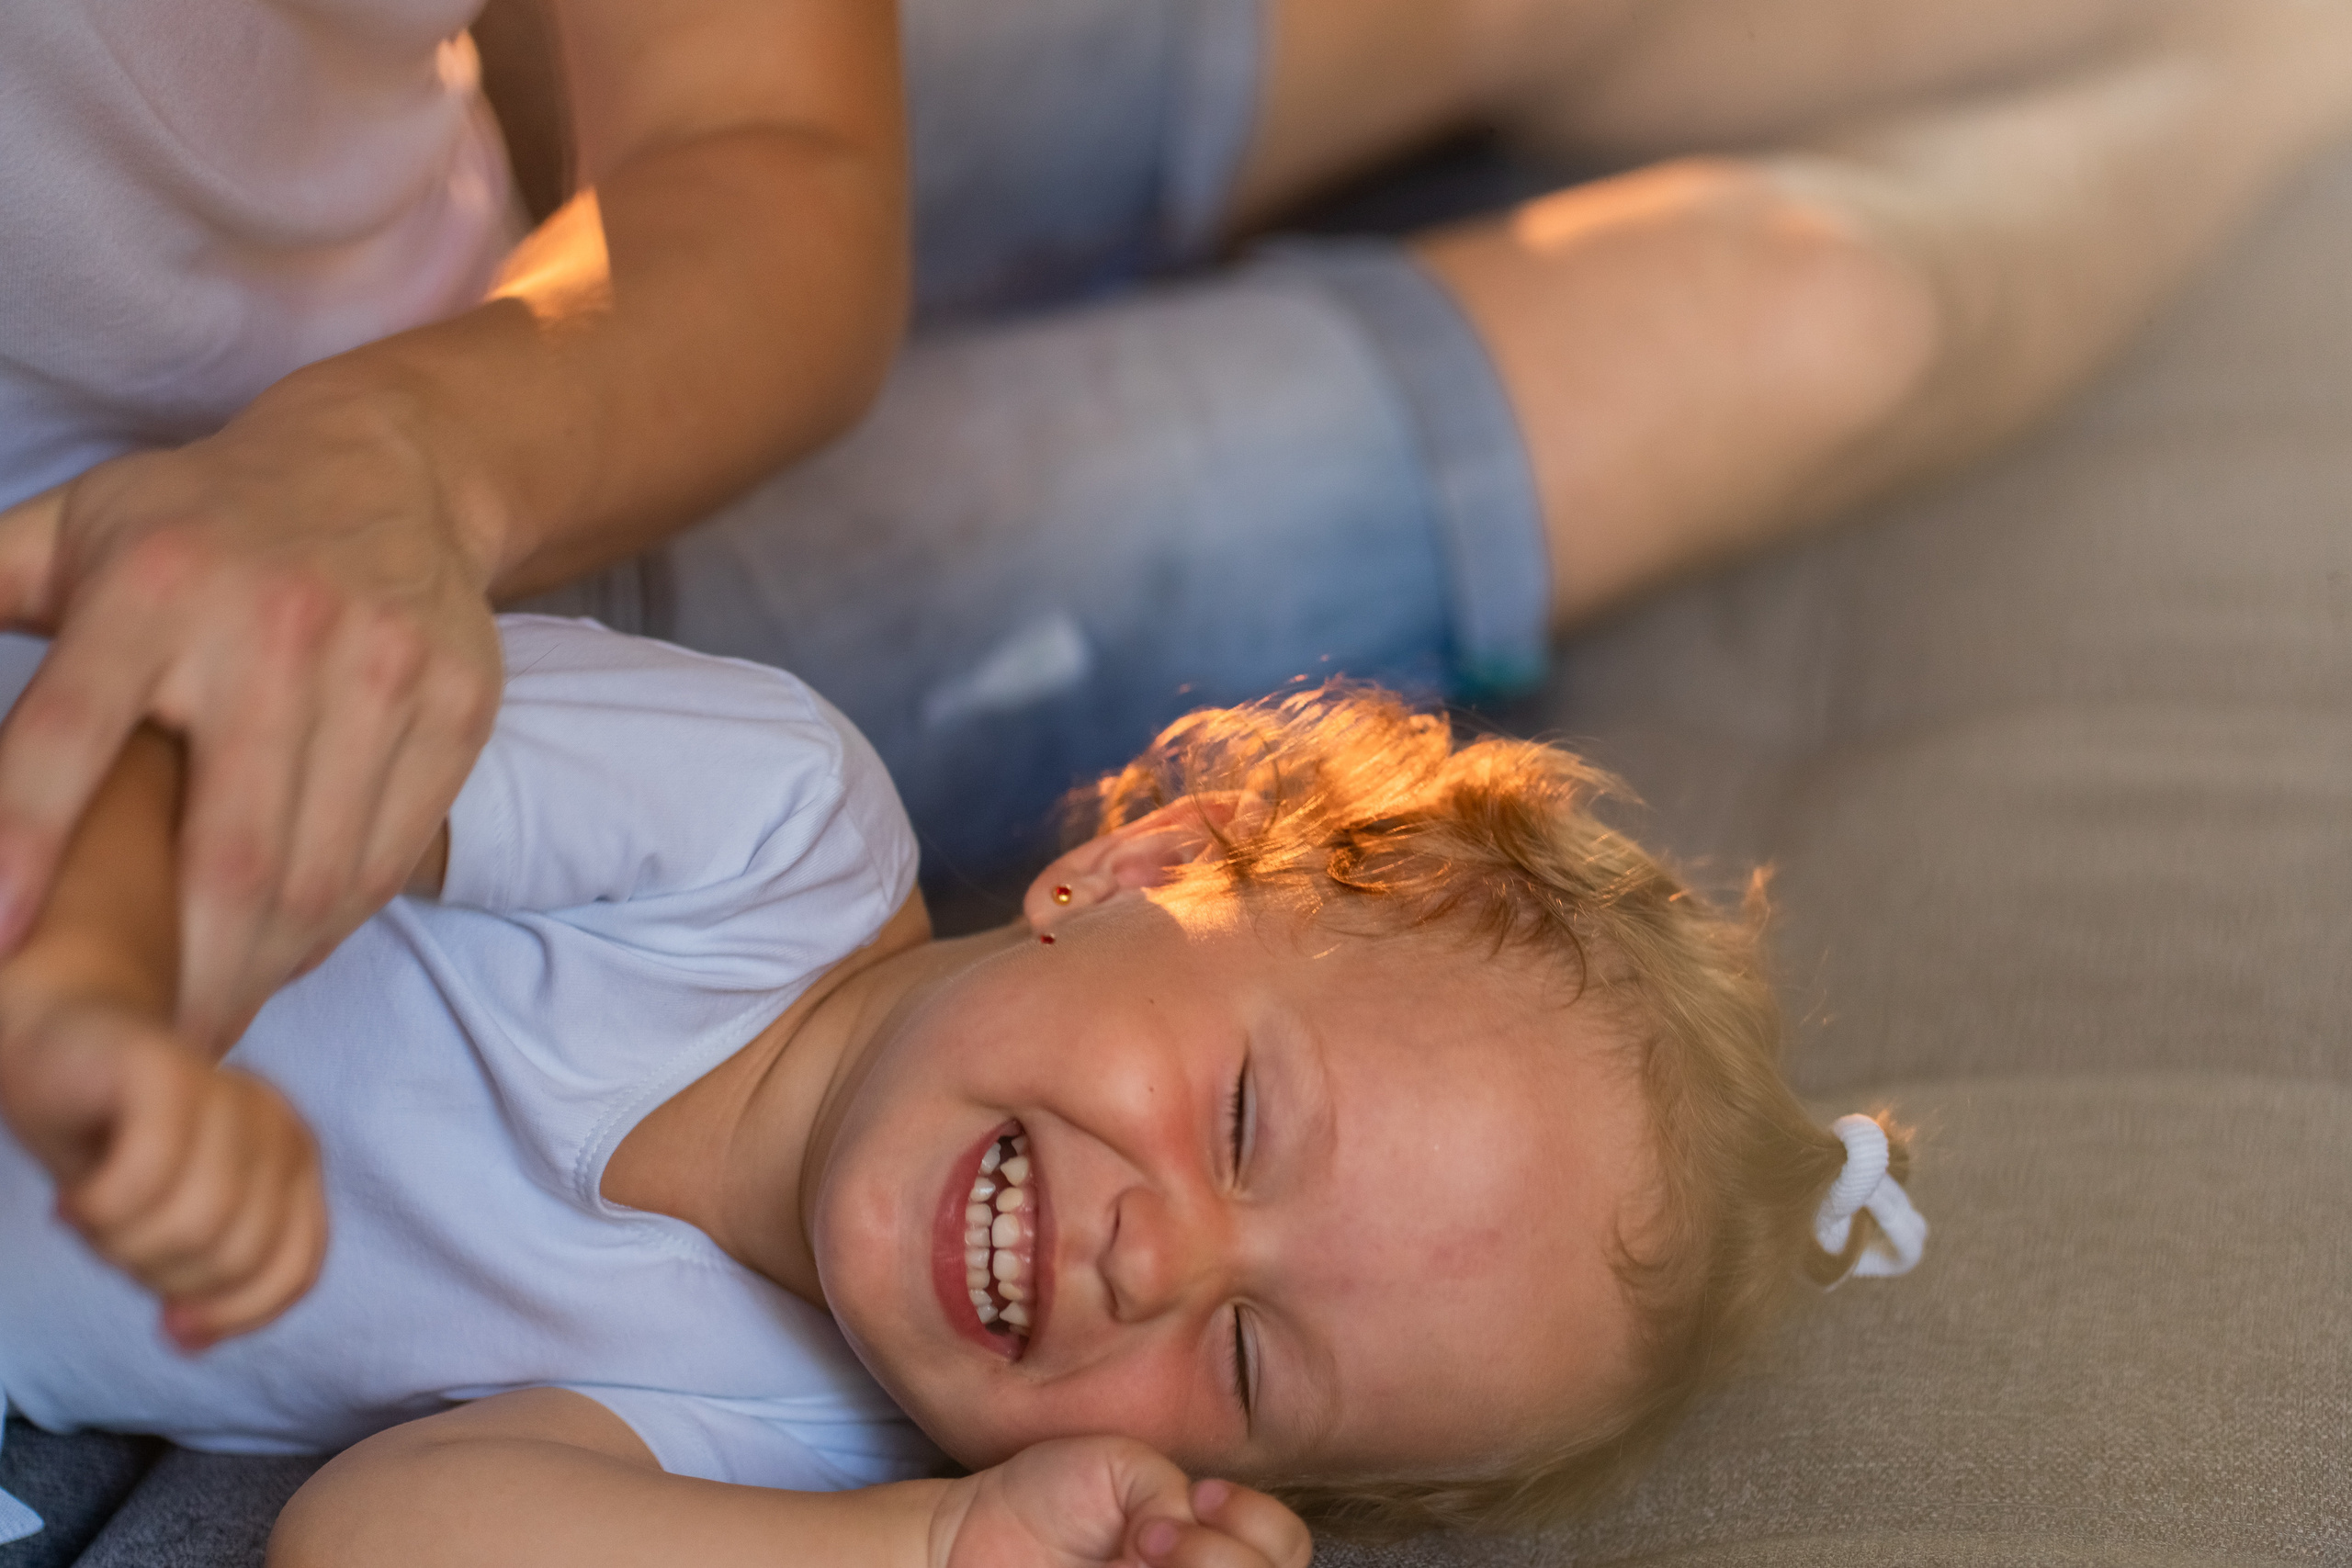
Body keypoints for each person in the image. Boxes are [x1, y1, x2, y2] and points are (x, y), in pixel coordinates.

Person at [6, 0, 2349, 1063]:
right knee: (1820, 312)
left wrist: (409, 443)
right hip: (464, 648)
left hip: (513, 239)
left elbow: (757, 147)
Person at [0, 616, 1921, 1560]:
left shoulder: (827, 1450)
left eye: (1248, 1361)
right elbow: (250, 717)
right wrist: (92, 993)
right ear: (1133, 857)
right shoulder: (757, 823)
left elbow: (380, 1541)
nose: (1150, 1255)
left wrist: (921, 1553)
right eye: (1244, 1120)